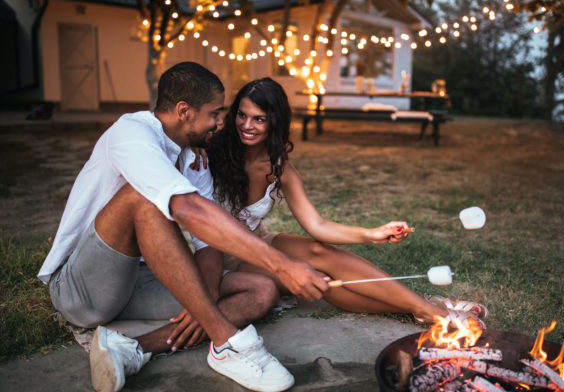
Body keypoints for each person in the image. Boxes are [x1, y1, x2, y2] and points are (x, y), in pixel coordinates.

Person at [38, 63, 329, 392]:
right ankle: (226, 342)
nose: (222, 123)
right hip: (82, 288)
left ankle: (135, 349)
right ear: (183, 111)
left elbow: (208, 244)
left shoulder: (194, 159)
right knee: (143, 198)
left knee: (262, 290)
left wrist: (204, 299)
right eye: (215, 113)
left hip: (140, 281)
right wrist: (283, 265)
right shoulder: (131, 133)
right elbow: (188, 209)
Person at [198, 77, 487, 328]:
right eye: (242, 115)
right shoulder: (209, 153)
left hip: (257, 241)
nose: (246, 125)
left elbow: (317, 225)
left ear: (275, 122)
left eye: (258, 119)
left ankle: (425, 309)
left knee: (317, 250)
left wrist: (372, 233)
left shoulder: (279, 168)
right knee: (318, 279)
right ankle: (430, 310)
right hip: (219, 256)